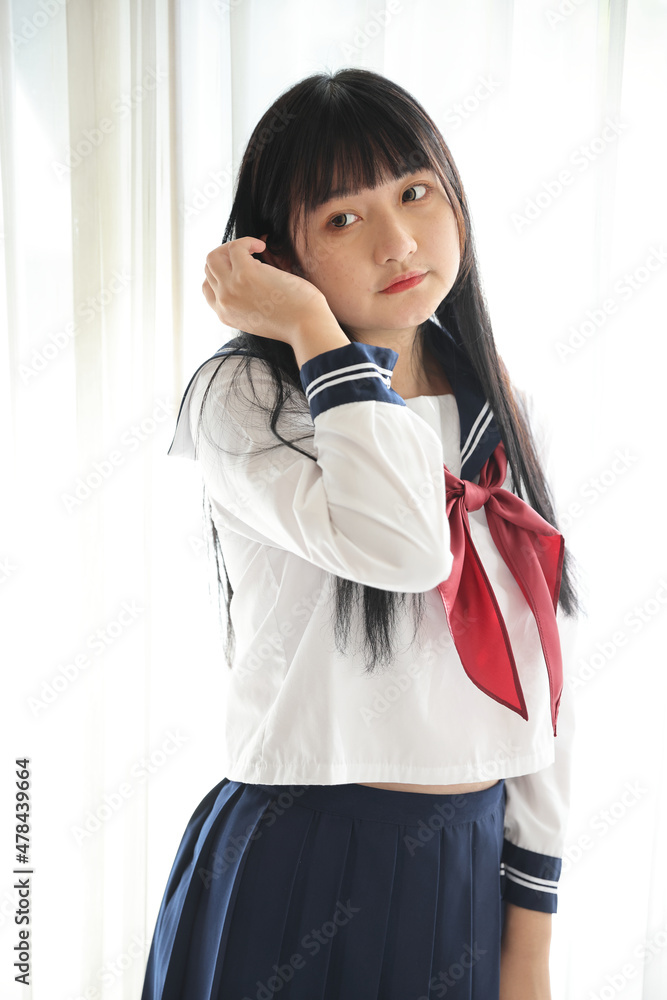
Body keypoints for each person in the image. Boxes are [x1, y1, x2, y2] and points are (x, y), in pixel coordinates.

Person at [140, 68, 583, 1000]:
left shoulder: (498, 400)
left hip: (464, 864)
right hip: (297, 859)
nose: (397, 240)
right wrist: (311, 329)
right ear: (276, 257)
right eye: (342, 219)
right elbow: (405, 549)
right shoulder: (249, 397)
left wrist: (530, 939)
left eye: (415, 193)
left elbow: (542, 678)